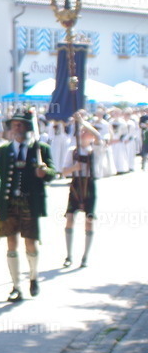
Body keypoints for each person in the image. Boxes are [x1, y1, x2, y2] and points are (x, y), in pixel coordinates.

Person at [0, 110, 57, 302]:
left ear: (28, 127)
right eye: (14, 124)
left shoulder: (40, 149)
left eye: (21, 124)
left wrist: (44, 172)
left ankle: (33, 276)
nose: (17, 128)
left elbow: (52, 172)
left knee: (30, 242)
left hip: (30, 203)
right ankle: (16, 285)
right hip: (9, 203)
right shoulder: (3, 151)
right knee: (11, 242)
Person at [62, 114, 105, 268]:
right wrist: (74, 168)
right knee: (70, 218)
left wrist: (82, 122)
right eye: (80, 131)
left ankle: (85, 256)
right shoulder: (72, 151)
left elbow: (99, 135)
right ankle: (69, 255)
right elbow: (63, 172)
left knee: (89, 221)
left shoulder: (96, 150)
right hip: (76, 185)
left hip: (90, 185)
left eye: (84, 132)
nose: (81, 134)